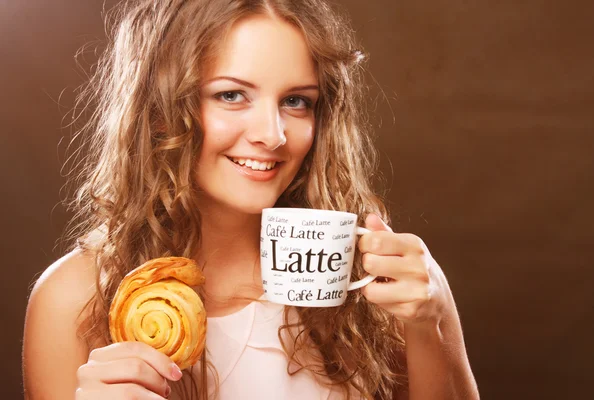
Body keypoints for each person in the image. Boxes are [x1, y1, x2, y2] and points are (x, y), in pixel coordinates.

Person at [22, 0, 479, 399]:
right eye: (232, 95)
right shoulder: (73, 299)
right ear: (161, 111)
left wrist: (429, 325)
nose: (273, 135)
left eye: (297, 101)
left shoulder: (385, 283)